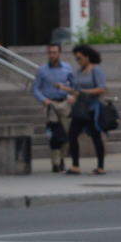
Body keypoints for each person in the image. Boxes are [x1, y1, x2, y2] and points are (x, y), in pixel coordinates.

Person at [58, 44, 108, 175]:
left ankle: (101, 166)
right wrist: (64, 89)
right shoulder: (78, 72)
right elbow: (76, 90)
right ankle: (75, 166)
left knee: (96, 137)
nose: (78, 61)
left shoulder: (96, 70)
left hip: (92, 108)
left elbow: (102, 88)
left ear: (87, 57)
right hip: (80, 109)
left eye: (79, 58)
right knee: (72, 134)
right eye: (76, 59)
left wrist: (85, 92)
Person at [31, 42, 74, 172]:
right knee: (54, 133)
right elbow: (35, 88)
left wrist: (72, 95)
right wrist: (43, 99)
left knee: (67, 133)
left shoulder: (67, 68)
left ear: (59, 53)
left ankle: (62, 158)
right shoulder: (42, 70)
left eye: (55, 52)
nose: (52, 55)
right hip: (51, 104)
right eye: (50, 52)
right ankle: (55, 162)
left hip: (65, 103)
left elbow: (74, 86)